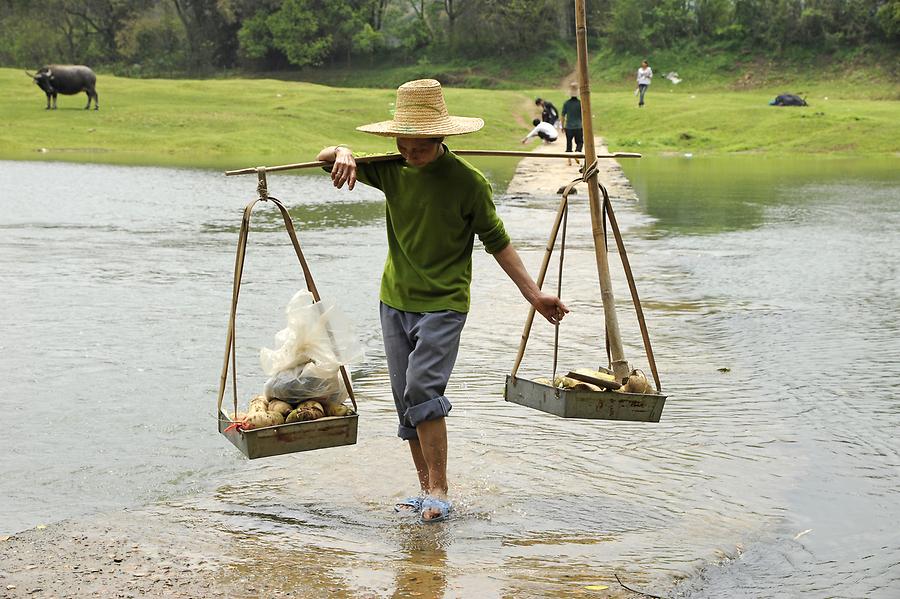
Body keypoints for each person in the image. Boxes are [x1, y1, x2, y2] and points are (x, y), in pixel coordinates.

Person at [317, 79, 568, 524]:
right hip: (394, 300)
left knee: (422, 389)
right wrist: (342, 151)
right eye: (405, 145)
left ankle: (440, 489)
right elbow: (324, 160)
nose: (411, 154)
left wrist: (534, 295)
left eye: (420, 148)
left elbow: (498, 243)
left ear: (441, 138)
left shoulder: (468, 183)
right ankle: (423, 490)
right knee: (403, 398)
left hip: (444, 304)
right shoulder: (392, 168)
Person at [561, 82, 583, 166]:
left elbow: (563, 115)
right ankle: (577, 153)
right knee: (580, 142)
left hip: (569, 127)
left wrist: (562, 126)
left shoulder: (566, 103)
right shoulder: (580, 103)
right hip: (578, 126)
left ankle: (569, 160)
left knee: (569, 143)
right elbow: (583, 115)